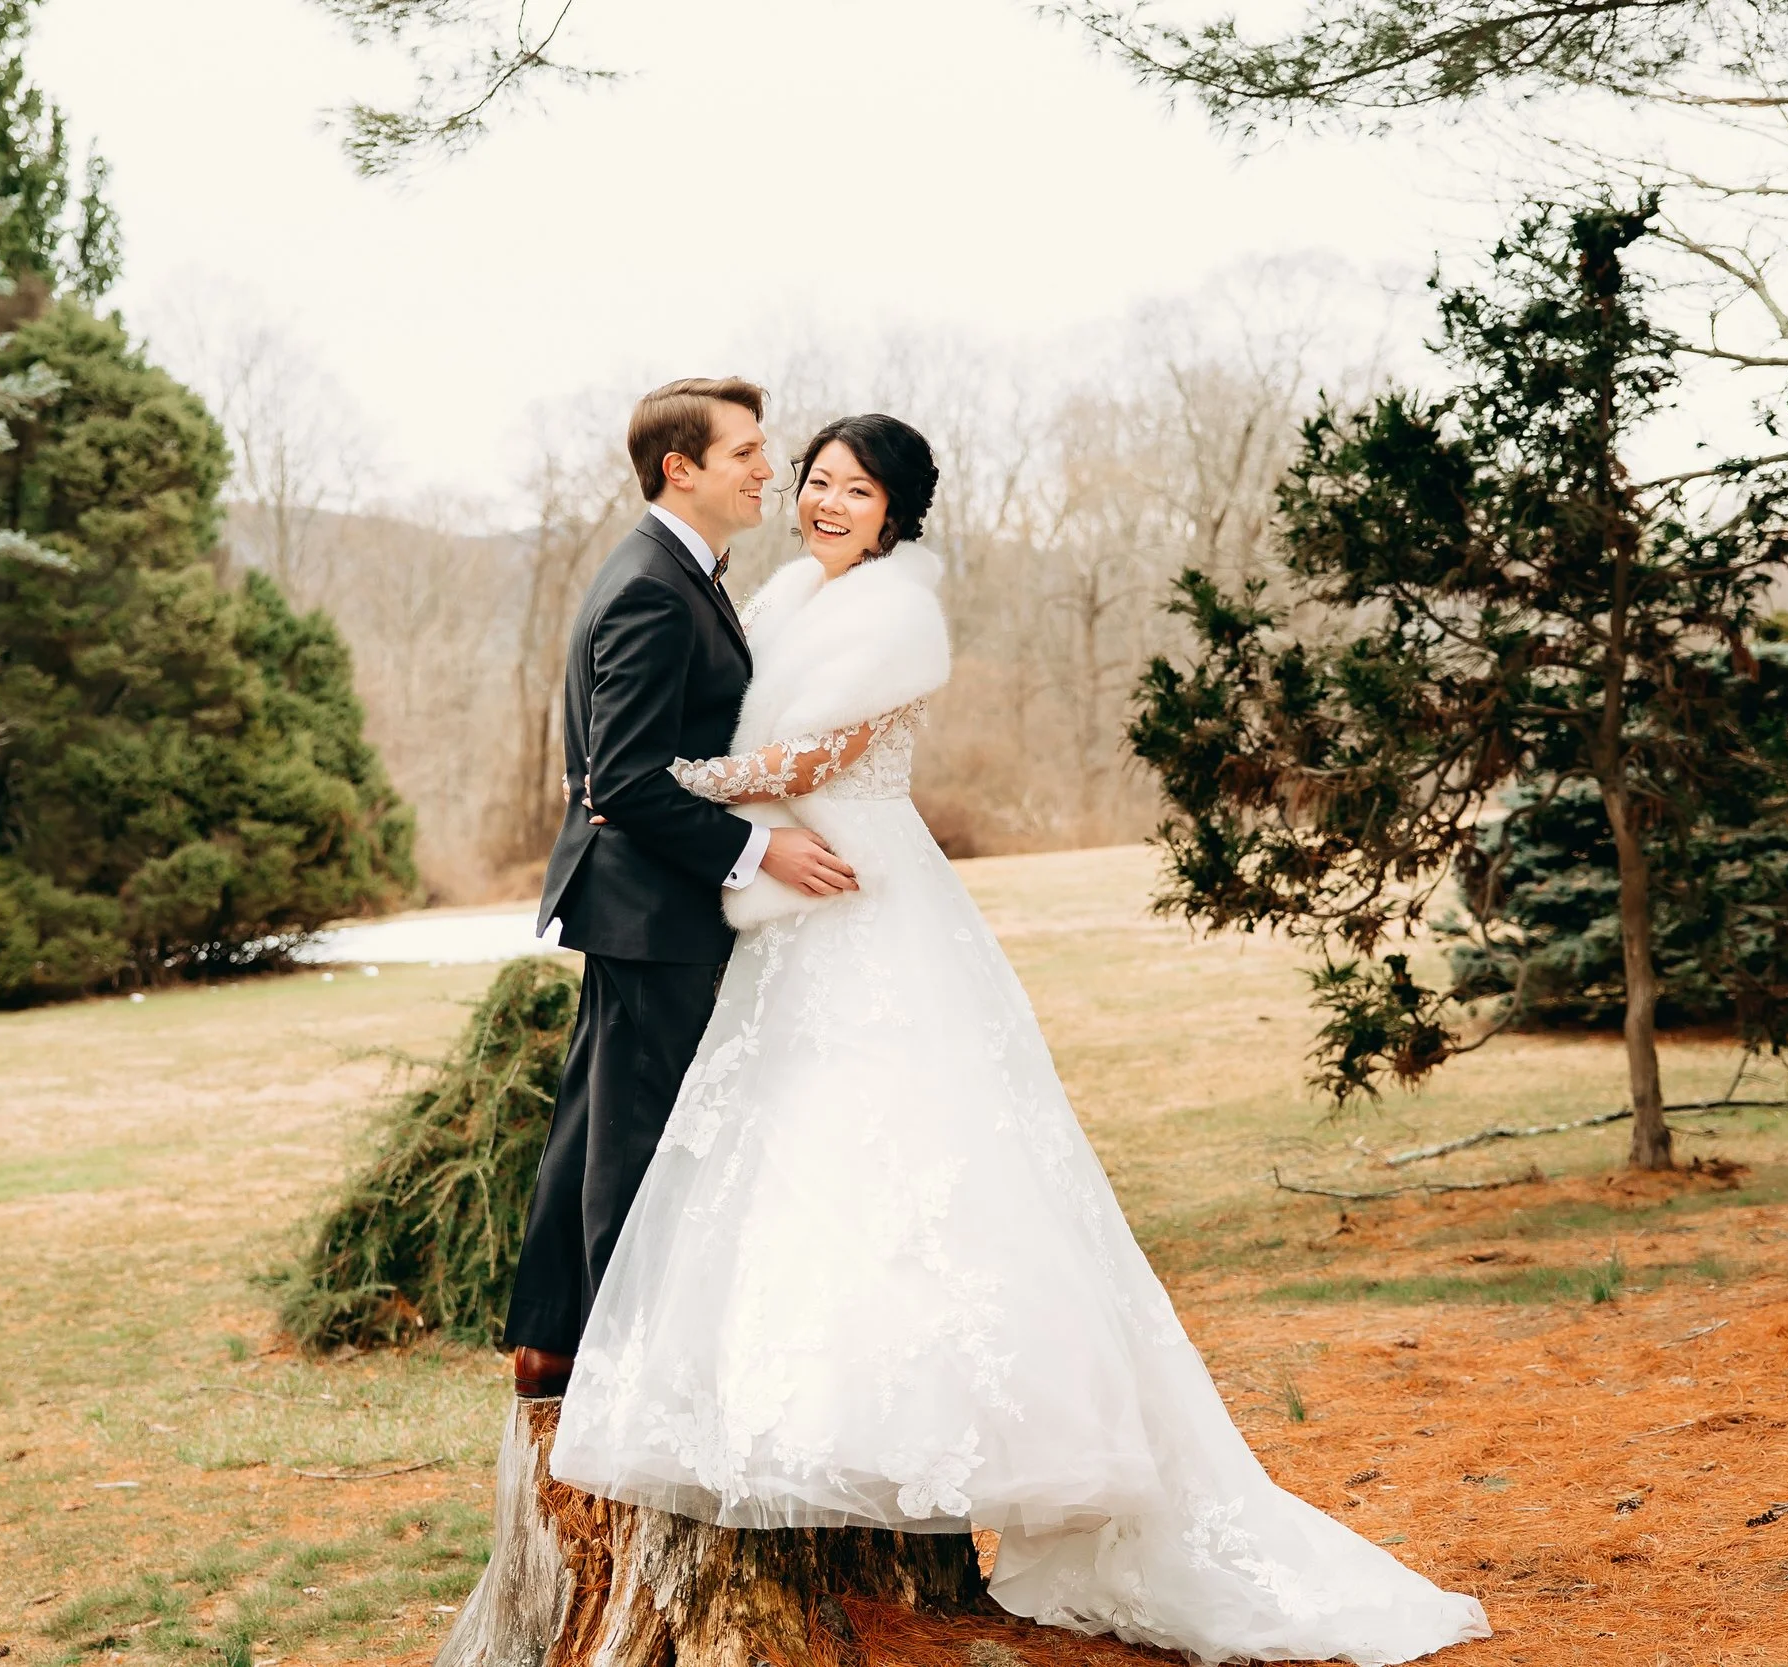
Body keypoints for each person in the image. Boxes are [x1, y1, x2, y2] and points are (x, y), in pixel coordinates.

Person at [547, 413, 1493, 1664]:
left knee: (904, 1135)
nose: (824, 499)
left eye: (855, 487)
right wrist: (666, 787)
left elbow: (806, 754)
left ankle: (934, 1420)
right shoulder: (776, 593)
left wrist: (661, 780)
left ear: (899, 508)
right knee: (784, 1140)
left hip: (857, 882)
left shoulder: (896, 613)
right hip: (784, 894)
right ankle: (792, 1390)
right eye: (815, 480)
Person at [500, 377, 857, 1400]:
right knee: (642, 1140)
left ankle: (555, 1342)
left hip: (637, 896)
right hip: (653, 904)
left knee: (593, 1124)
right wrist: (759, 850)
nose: (766, 468)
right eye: (745, 451)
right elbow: (623, 778)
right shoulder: (653, 585)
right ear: (680, 468)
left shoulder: (680, 571)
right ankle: (631, 1374)